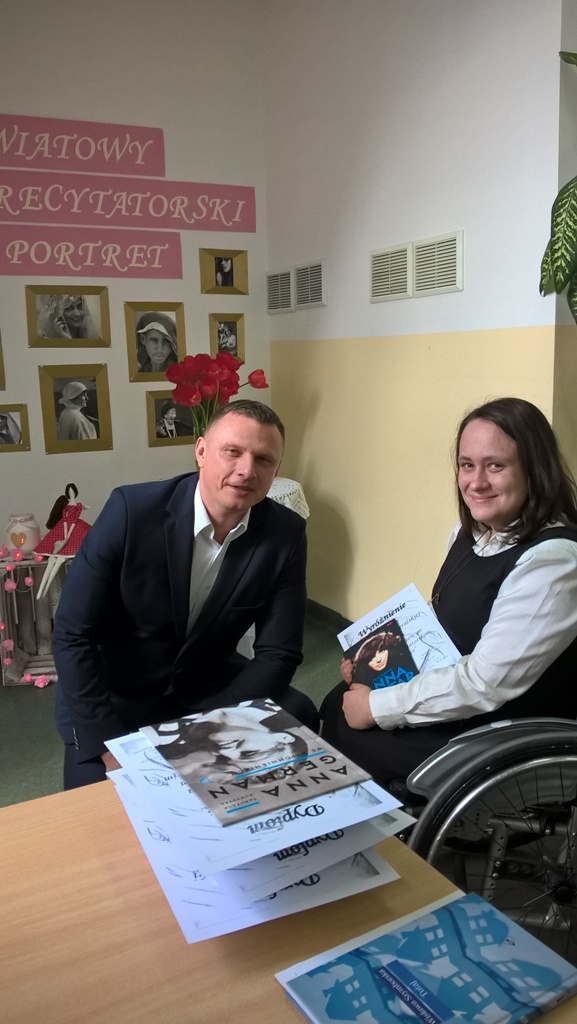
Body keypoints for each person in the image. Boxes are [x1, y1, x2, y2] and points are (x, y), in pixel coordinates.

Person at [52, 399, 318, 789]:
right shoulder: (130, 512)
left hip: (209, 689)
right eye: (232, 452)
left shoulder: (285, 533)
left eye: (263, 459)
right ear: (201, 452)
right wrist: (109, 746)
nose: (246, 470)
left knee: (301, 714)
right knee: (100, 803)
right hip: (116, 697)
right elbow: (72, 634)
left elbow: (279, 652)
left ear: (276, 469)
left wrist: (210, 726)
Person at [320, 397, 577, 788]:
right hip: (458, 684)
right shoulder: (470, 533)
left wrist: (377, 707)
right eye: (467, 464)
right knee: (336, 702)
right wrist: (370, 661)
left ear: (535, 470)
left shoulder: (554, 562)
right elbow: (441, 620)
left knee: (359, 736)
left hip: (504, 717)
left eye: (496, 465)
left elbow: (485, 683)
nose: (476, 482)